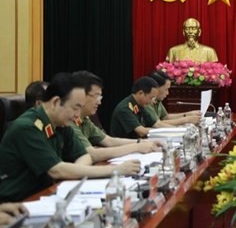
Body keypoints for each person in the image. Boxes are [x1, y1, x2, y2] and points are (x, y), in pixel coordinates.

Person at [0, 73, 140, 202]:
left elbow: (85, 155)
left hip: (50, 194)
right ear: (55, 102)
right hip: (20, 202)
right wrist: (115, 170)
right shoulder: (27, 127)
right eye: (75, 108)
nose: (78, 115)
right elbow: (56, 170)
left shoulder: (61, 123)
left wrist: (73, 174)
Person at [72, 71, 162, 163]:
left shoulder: (84, 119)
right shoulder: (69, 122)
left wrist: (142, 143)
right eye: (96, 97)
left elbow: (108, 140)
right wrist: (137, 147)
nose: (99, 102)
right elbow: (93, 154)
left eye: (100, 98)